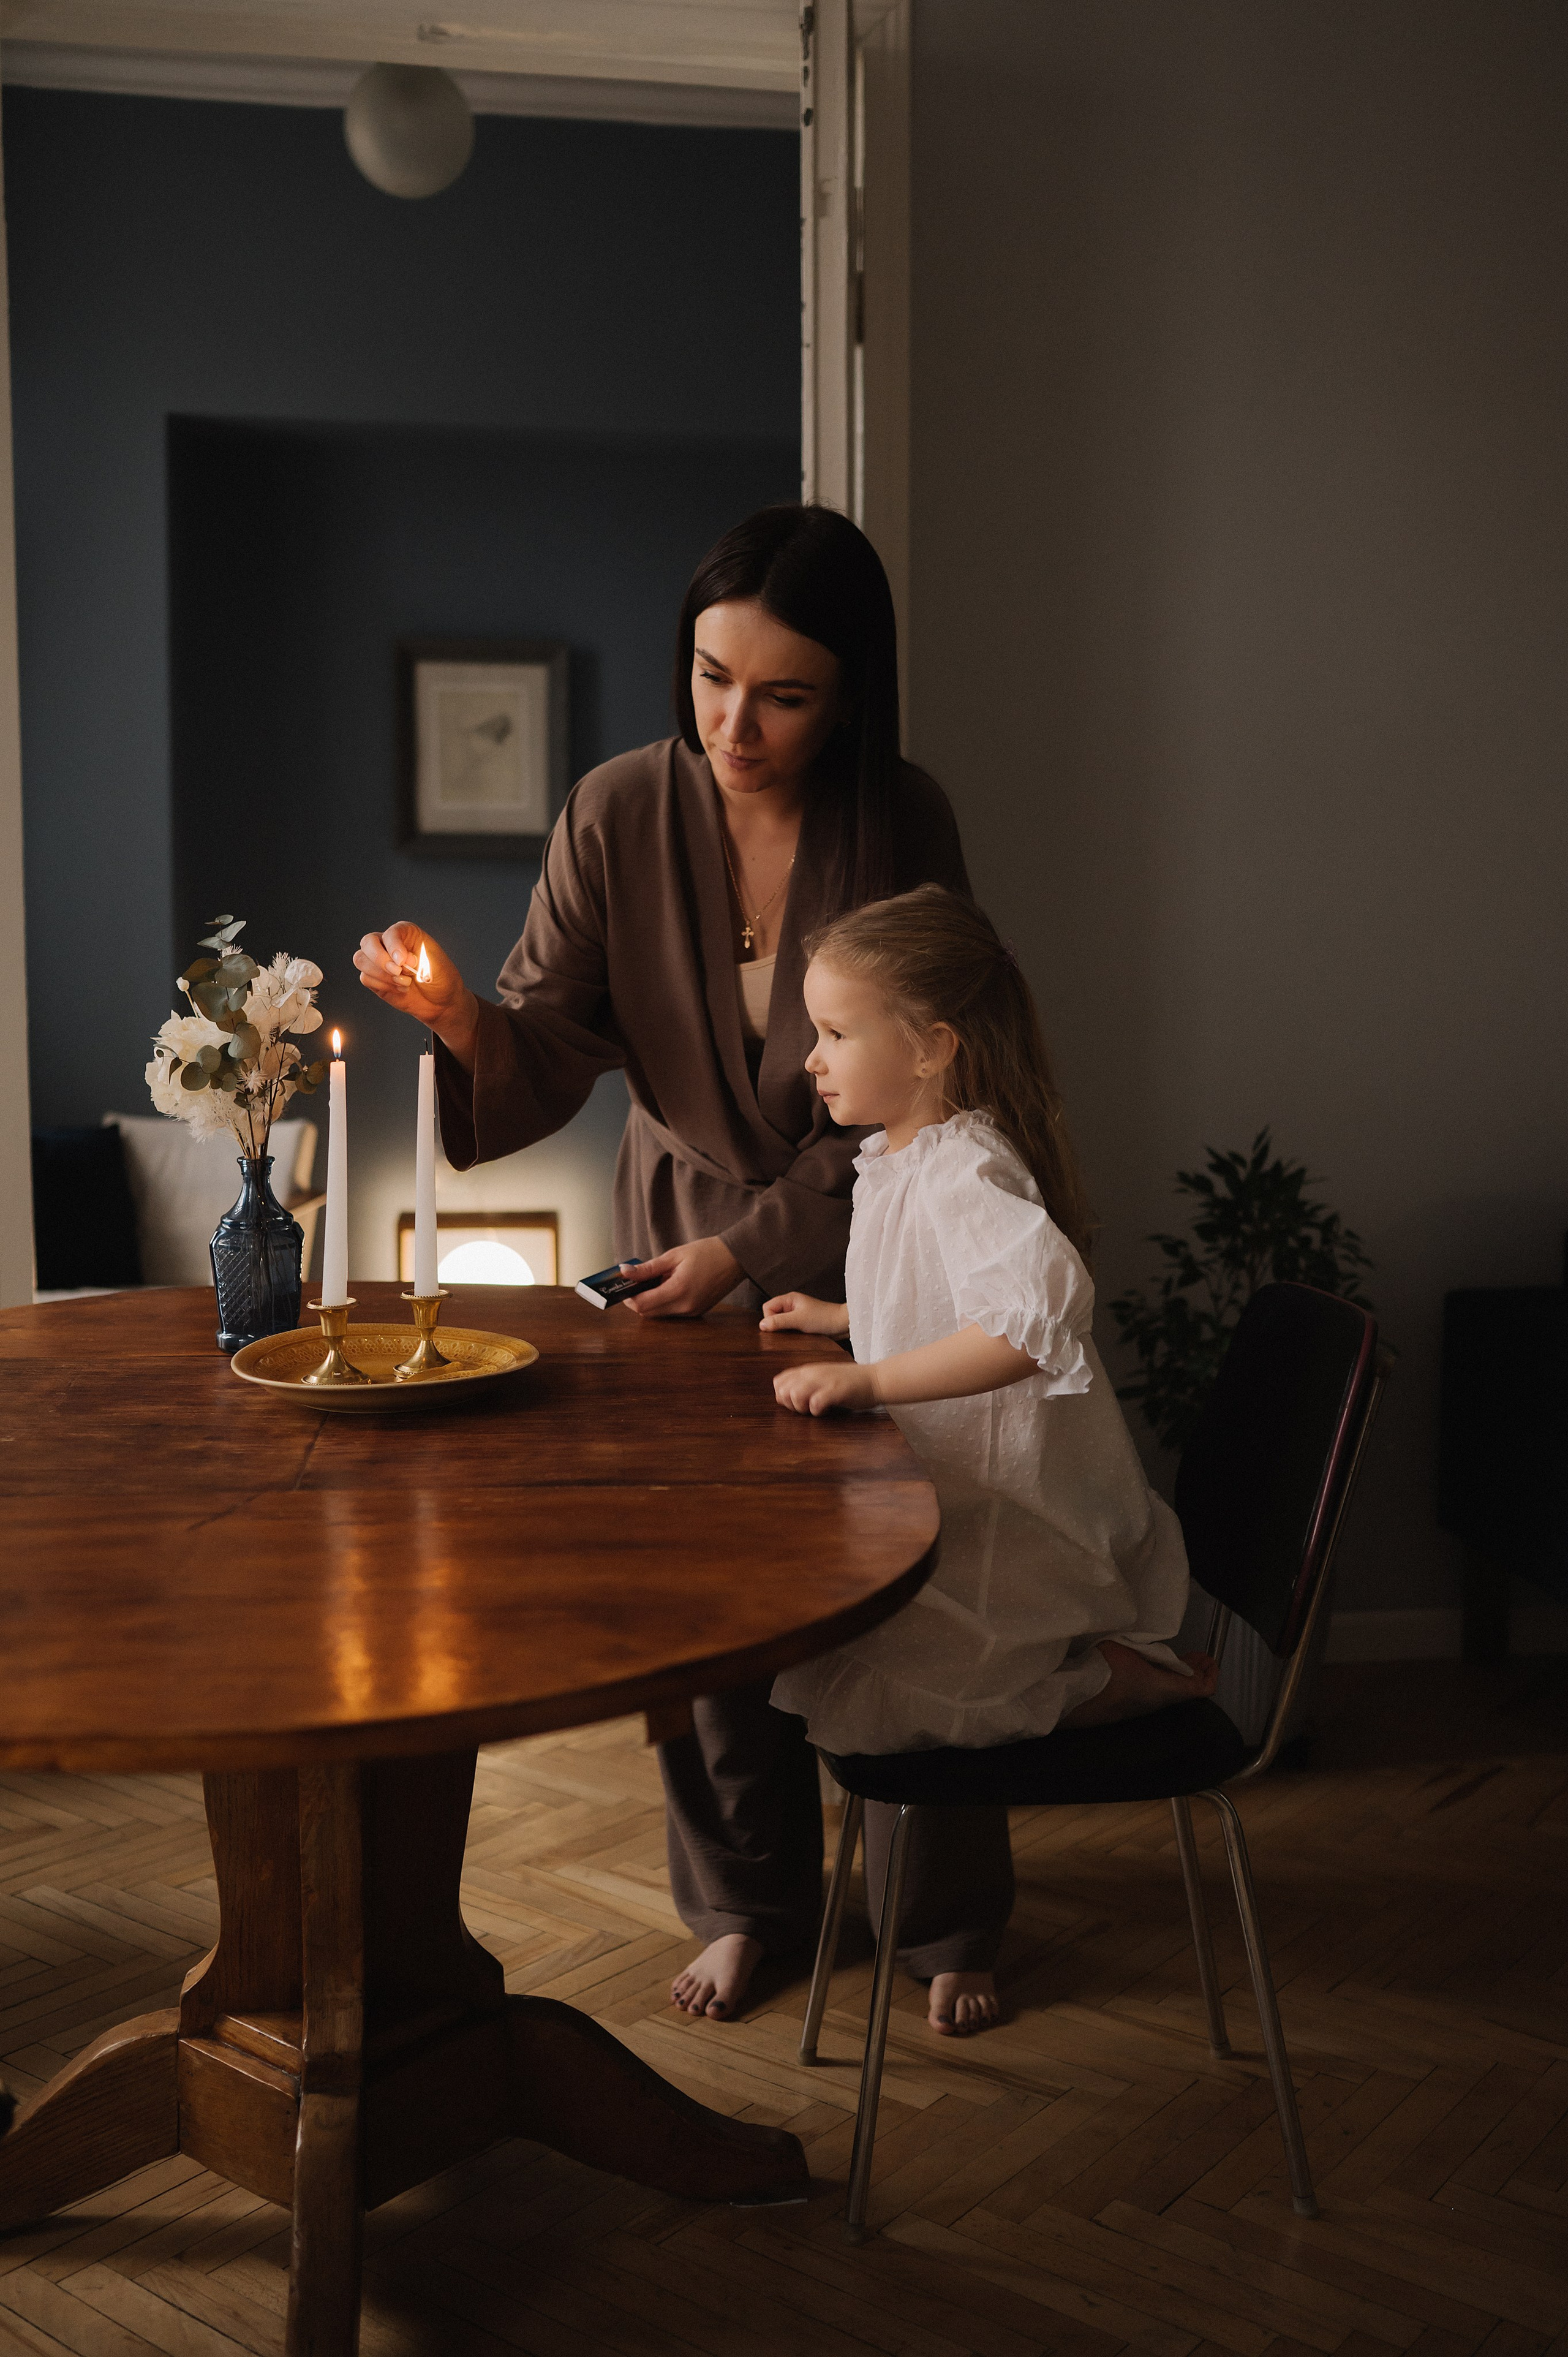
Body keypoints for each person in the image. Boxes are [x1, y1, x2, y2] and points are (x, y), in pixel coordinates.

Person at [355, 503, 989, 2030]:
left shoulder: (902, 821)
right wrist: (455, 1020)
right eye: (711, 678)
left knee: (911, 1575)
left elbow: (925, 1075)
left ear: (848, 696)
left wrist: (750, 1246)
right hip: (670, 1240)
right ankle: (744, 1901)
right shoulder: (613, 813)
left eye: (783, 694)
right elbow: (547, 1038)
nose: (734, 724)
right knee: (704, 1590)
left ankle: (944, 1909)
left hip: (870, 1231)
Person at [763, 883, 1218, 2033]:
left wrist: (867, 1380)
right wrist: (846, 1323)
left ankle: (1106, 1682)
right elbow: (938, 1307)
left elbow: (1024, 1322)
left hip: (1005, 1515)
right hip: (948, 1495)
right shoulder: (905, 1155)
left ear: (932, 1047)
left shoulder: (967, 1167)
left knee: (887, 1701)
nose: (810, 1058)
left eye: (834, 1032)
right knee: (855, 1680)